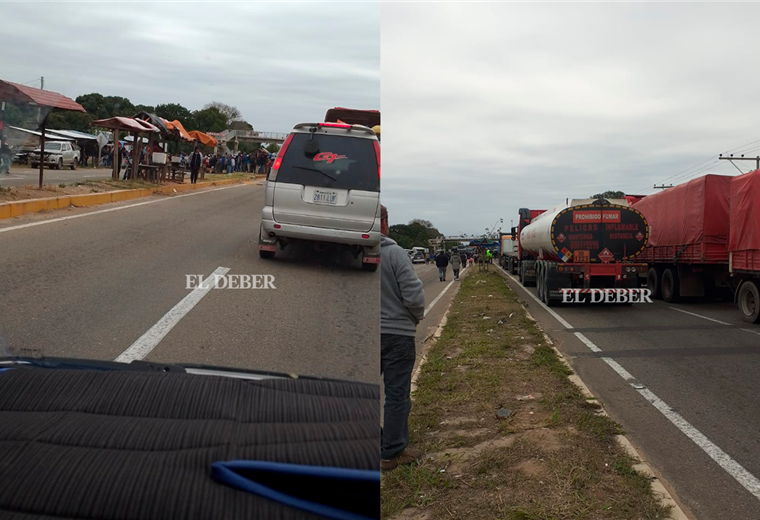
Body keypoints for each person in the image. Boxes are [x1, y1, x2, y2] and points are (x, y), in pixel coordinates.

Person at [380, 204, 425, 471]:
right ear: (384, 222)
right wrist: (414, 318)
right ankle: (391, 452)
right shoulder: (395, 254)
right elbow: (415, 297)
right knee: (396, 394)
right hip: (397, 334)